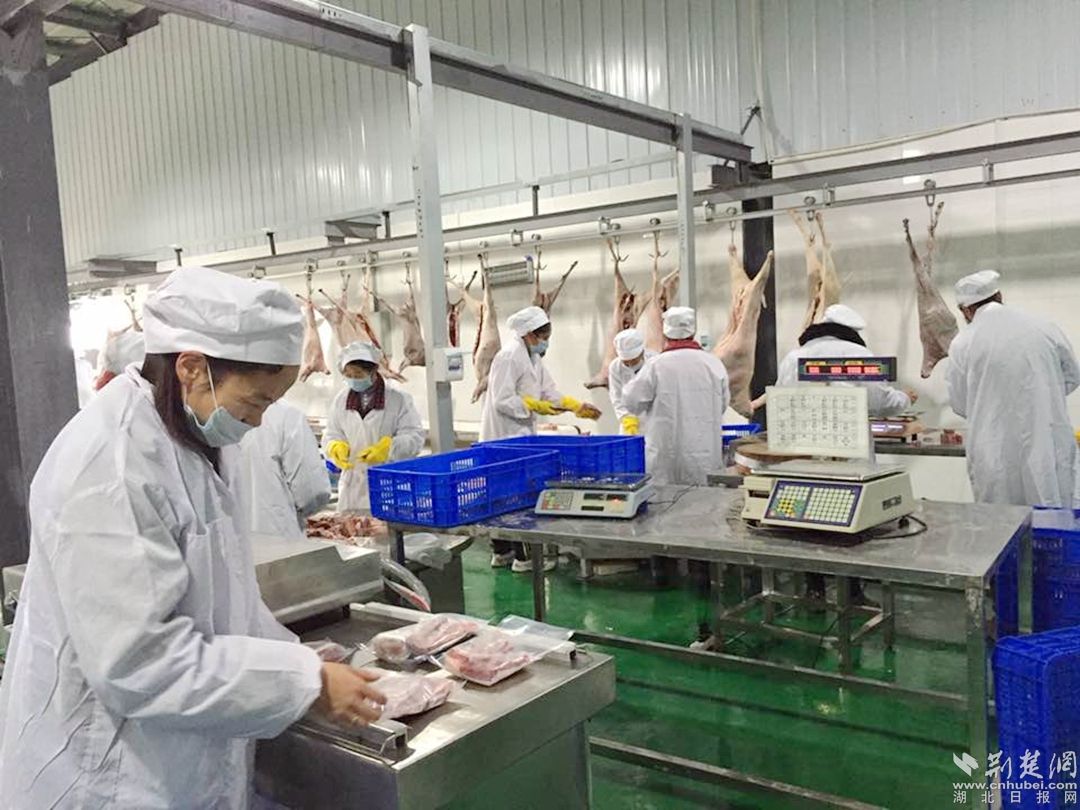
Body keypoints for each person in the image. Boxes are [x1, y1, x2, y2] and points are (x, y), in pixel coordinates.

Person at [0, 267, 385, 809]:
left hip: (175, 760)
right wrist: (305, 682)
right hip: (104, 776)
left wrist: (299, 660)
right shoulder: (112, 465)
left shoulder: (195, 442)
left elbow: (227, 603)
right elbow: (138, 664)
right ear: (190, 368)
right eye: (255, 402)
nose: (258, 422)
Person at [480, 305, 601, 571]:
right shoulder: (508, 356)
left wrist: (575, 406)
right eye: (543, 336)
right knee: (510, 494)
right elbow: (502, 400)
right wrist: (534, 406)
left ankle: (503, 552)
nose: (545, 342)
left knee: (507, 492)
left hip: (520, 433)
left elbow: (549, 392)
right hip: (503, 434)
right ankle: (521, 558)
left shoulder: (533, 358)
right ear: (528, 334)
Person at [948, 269, 1080, 507]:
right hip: (1047, 439)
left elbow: (960, 403)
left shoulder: (963, 342)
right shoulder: (1043, 326)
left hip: (993, 447)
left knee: (1002, 519)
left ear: (965, 310)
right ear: (999, 296)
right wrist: (1041, 396)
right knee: (1051, 511)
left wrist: (994, 406)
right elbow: (1072, 375)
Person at [622, 307, 730, 485]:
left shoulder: (655, 366)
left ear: (665, 333)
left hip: (666, 461)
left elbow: (631, 402)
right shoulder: (713, 363)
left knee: (665, 499)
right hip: (704, 457)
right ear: (693, 332)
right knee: (704, 499)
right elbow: (723, 405)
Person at [323, 340, 425, 513]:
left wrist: (388, 448)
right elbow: (332, 433)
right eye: (348, 375)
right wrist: (334, 446)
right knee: (352, 527)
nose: (353, 379)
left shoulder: (398, 400)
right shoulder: (341, 400)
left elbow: (415, 438)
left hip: (389, 486)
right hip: (352, 489)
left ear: (373, 371)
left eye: (358, 374)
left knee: (386, 527)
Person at [776, 304, 916, 417]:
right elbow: (879, 402)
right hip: (848, 442)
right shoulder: (859, 354)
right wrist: (905, 399)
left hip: (799, 441)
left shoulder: (793, 358)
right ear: (853, 332)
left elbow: (779, 402)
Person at [239, 399, 331, 540]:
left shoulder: (218, 413)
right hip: (277, 534)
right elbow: (312, 491)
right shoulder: (287, 415)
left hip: (232, 538)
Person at [608, 328, 656, 436]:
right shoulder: (615, 367)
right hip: (629, 422)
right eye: (625, 361)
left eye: (633, 359)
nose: (629, 364)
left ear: (642, 351)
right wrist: (626, 418)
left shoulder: (655, 361)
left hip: (653, 419)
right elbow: (616, 396)